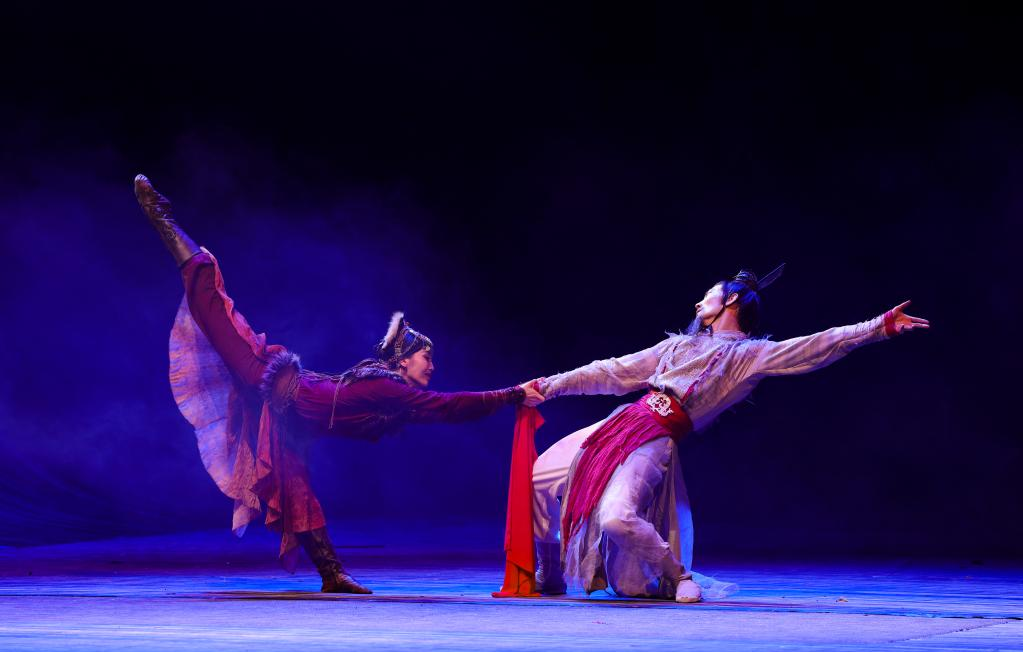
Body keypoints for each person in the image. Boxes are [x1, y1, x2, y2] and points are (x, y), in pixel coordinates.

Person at [135, 174, 544, 594]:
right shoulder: (390, 388)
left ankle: (332, 574)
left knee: (298, 496)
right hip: (272, 382)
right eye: (427, 357)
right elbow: (448, 406)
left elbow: (444, 410)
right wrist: (510, 394)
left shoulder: (394, 395)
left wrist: (507, 397)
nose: (432, 366)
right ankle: (162, 218)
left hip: (291, 424)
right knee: (215, 307)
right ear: (404, 360)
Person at [530, 266, 929, 603]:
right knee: (541, 475)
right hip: (623, 422)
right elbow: (611, 370)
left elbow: (814, 347)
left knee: (617, 519)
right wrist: (548, 386)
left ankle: (678, 574)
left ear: (731, 301)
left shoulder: (746, 357)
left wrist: (877, 327)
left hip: (655, 437)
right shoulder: (676, 347)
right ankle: (549, 571)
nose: (698, 303)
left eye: (708, 295)